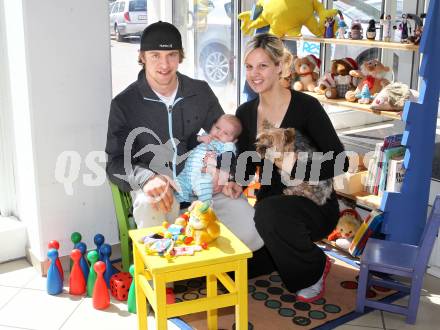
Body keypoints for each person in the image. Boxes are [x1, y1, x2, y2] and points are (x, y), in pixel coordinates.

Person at [105, 21, 264, 253]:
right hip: (161, 192)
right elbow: (114, 162)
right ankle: (163, 281)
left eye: (171, 55)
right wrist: (147, 178)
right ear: (142, 57)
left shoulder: (199, 92)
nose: (164, 64)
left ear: (180, 56)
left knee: (252, 229)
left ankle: (206, 268)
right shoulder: (125, 104)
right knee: (153, 217)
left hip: (203, 189)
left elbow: (226, 137)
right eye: (155, 55)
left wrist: (231, 177)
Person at [235, 33, 349, 302]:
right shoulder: (245, 112)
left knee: (269, 214)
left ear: (279, 66)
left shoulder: (307, 106)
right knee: (238, 266)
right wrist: (229, 183)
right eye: (249, 67)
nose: (255, 74)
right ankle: (286, 253)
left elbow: (340, 160)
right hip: (270, 209)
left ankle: (315, 267)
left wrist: (297, 166)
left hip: (313, 206)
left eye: (262, 65)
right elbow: (246, 165)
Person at [175, 114, 242, 203]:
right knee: (178, 183)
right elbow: (188, 144)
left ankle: (205, 205)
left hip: (205, 175)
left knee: (204, 183)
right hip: (187, 174)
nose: (219, 133)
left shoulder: (225, 146)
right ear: (212, 126)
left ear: (233, 140)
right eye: (217, 128)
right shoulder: (205, 137)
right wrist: (199, 138)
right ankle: (182, 202)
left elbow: (227, 160)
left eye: (226, 133)